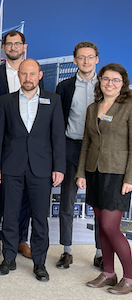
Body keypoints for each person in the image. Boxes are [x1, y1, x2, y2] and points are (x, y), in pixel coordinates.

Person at [0, 59, 65, 282]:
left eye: (32, 74)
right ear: (19, 76)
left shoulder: (53, 100)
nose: (28, 78)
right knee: (10, 215)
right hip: (11, 166)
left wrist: (59, 167)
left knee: (40, 218)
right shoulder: (6, 101)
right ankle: (9, 258)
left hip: (42, 168)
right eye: (24, 74)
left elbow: (58, 137)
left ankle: (40, 262)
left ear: (40, 75)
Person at [0, 30, 40, 258]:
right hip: (2, 144)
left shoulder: (33, 72)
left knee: (25, 194)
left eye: (17, 43)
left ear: (24, 46)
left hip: (27, 147)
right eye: (9, 43)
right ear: (4, 47)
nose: (13, 47)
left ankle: (20, 239)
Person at [78, 63, 132, 295]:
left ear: (123, 83)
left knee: (111, 226)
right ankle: (109, 274)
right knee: (101, 225)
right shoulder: (93, 108)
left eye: (115, 80)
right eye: (106, 79)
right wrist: (81, 172)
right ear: (100, 81)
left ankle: (129, 277)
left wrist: (130, 177)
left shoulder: (129, 106)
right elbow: (87, 143)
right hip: (94, 172)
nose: (110, 83)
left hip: (118, 174)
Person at [55, 41, 102, 270]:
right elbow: (57, 123)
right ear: (75, 60)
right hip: (70, 147)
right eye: (81, 57)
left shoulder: (106, 86)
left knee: (99, 202)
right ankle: (67, 250)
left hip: (97, 149)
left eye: (90, 57)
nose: (85, 61)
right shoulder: (64, 86)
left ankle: (100, 252)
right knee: (67, 201)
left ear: (97, 60)